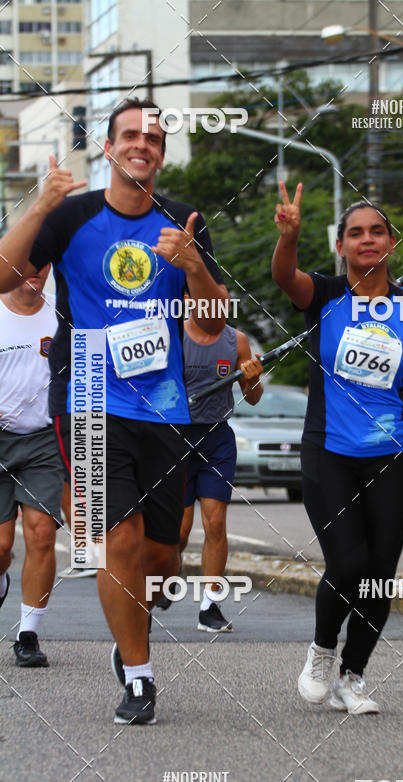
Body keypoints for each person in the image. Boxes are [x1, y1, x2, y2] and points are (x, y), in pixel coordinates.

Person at [0, 98, 229, 724]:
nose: (141, 145)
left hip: (164, 407)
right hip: (89, 400)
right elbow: (4, 276)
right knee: (115, 539)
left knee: (161, 558)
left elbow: (212, 325)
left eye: (153, 138)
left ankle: (131, 634)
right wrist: (39, 205)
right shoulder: (71, 216)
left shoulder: (185, 220)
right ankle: (139, 676)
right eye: (130, 135)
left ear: (161, 154)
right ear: (108, 147)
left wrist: (194, 268)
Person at [272, 183, 403, 715]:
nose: (367, 240)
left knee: (380, 574)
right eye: (355, 233)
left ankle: (352, 677)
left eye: (377, 232)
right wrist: (288, 237)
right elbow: (284, 277)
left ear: (391, 243)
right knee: (348, 562)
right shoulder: (325, 295)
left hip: (389, 455)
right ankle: (321, 651)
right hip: (329, 451)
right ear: (340, 245)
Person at [179, 318, 263, 632]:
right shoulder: (174, 334)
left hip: (217, 440)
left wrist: (253, 379)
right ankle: (161, 580)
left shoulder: (236, 341)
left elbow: (253, 396)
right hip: (178, 438)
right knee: (179, 532)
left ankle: (209, 606)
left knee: (215, 523)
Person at [0, 264, 64, 667]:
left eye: (40, 262)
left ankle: (28, 634)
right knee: (1, 547)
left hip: (44, 440)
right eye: (24, 262)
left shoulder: (63, 315)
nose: (32, 271)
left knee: (41, 534)